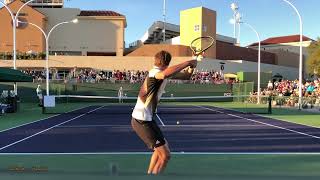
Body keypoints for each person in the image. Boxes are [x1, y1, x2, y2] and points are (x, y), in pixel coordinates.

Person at [131, 50, 197, 175]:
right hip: (141, 121)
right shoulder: (155, 73)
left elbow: (186, 77)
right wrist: (188, 62)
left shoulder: (161, 73)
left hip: (147, 120)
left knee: (160, 150)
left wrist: (192, 65)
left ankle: (150, 174)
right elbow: (165, 74)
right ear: (166, 62)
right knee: (166, 156)